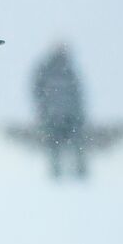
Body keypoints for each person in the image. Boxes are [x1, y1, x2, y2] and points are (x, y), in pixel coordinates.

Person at [32, 43, 88, 180]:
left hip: (61, 115)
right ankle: (60, 174)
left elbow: (77, 94)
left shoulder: (66, 70)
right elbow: (38, 91)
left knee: (69, 145)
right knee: (60, 146)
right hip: (57, 115)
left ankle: (77, 173)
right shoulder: (54, 70)